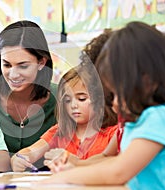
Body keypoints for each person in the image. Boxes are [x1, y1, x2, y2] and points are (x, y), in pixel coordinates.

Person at [40, 21, 165, 190]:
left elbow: (118, 171)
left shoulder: (161, 117)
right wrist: (74, 167)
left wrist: (65, 177)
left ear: (147, 82)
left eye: (118, 93)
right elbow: (112, 161)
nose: (113, 104)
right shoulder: (138, 122)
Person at [11, 61, 118, 172]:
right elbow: (31, 151)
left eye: (81, 99)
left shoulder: (114, 133)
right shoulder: (59, 131)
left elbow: (117, 165)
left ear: (100, 99)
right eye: (67, 100)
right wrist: (19, 158)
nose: (73, 105)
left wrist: (76, 163)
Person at [0, 20, 57, 154]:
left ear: (41, 62)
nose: (13, 75)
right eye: (7, 65)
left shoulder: (64, 97)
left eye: (23, 66)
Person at [44, 29, 119, 169]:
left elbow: (120, 168)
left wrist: (74, 165)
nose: (113, 102)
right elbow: (106, 157)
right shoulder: (124, 125)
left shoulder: (155, 119)